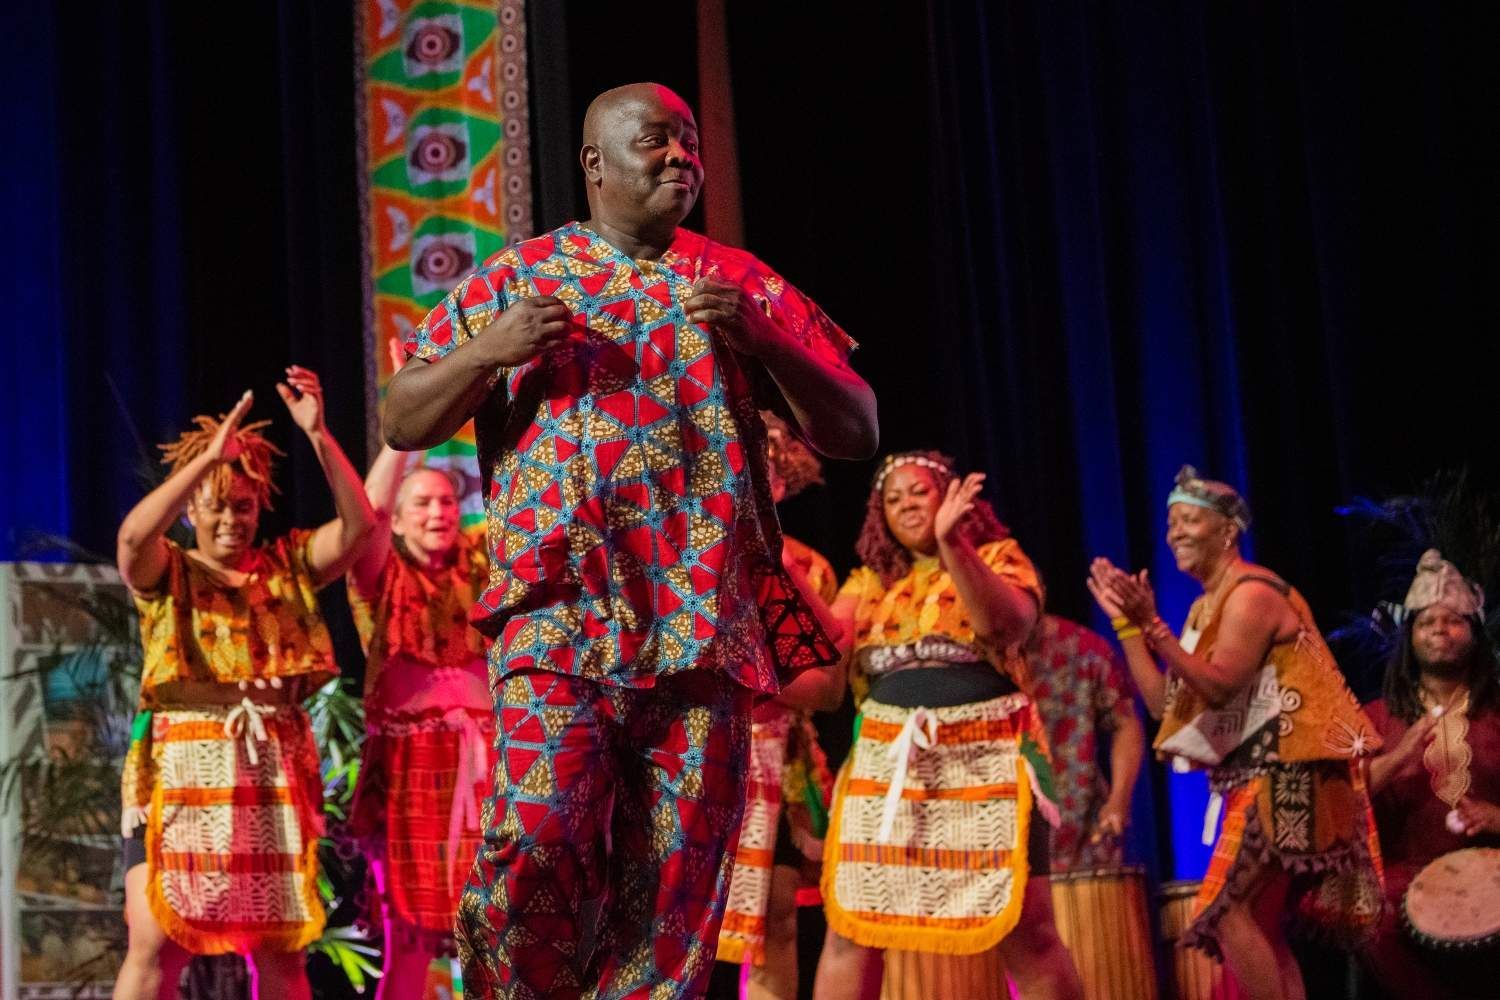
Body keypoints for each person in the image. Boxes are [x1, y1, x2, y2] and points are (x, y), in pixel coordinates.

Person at [383, 82, 878, 998]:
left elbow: (856, 428)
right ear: (595, 164)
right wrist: (486, 352)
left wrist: (766, 340)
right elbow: (404, 420)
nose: (682, 157)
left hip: (705, 627)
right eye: (658, 140)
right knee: (533, 841)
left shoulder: (742, 282)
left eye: (691, 143)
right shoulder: (517, 280)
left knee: (676, 888)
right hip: (559, 617)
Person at [113, 370, 375, 1000]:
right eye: (215, 503)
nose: (230, 517)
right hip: (180, 768)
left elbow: (361, 528)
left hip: (269, 769)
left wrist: (318, 435)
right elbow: (130, 538)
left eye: (243, 504)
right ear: (191, 510)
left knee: (281, 950)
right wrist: (206, 461)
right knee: (155, 941)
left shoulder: (286, 565)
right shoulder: (166, 570)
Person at [1088, 465, 1382, 1000]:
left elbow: (1220, 686)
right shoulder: (1206, 606)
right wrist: (1129, 627)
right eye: (1170, 521)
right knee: (1256, 923)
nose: (1174, 532)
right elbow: (1165, 705)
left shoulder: (1253, 593)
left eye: (1188, 520)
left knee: (1229, 914)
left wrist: (1155, 627)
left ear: (1227, 532)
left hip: (1292, 771)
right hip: (1257, 778)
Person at [813, 451, 1083, 1000]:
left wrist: (951, 544)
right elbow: (823, 687)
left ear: (949, 497)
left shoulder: (1000, 559)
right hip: (884, 767)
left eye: (918, 491)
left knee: (1028, 928)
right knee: (850, 926)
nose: (906, 505)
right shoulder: (865, 586)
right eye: (893, 499)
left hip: (989, 755)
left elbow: (1005, 625)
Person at [345, 342, 494, 1000]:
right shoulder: (378, 576)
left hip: (482, 763)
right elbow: (366, 512)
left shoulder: (481, 566)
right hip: (410, 767)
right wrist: (410, 413)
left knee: (486, 921)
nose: (439, 513)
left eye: (447, 503)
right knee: (407, 931)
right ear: (400, 522)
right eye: (423, 505)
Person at [715, 413, 843, 999]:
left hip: (778, 759)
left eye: (761, 469)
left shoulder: (807, 567)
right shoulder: (687, 552)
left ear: (782, 482)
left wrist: (744, 674)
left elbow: (826, 689)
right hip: (698, 750)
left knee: (776, 921)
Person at [1360, 550, 1500, 1000]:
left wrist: (1497, 818)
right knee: (1371, 917)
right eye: (1426, 623)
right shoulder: (1374, 719)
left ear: (1474, 635)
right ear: (1409, 638)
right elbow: (1341, 800)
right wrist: (1399, 755)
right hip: (1404, 877)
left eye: (1453, 620)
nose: (1440, 628)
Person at [1024, 614, 1146, 871]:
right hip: (997, 839)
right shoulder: (969, 655)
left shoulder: (1083, 648)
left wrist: (1119, 799)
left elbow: (1124, 723)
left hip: (1081, 837)